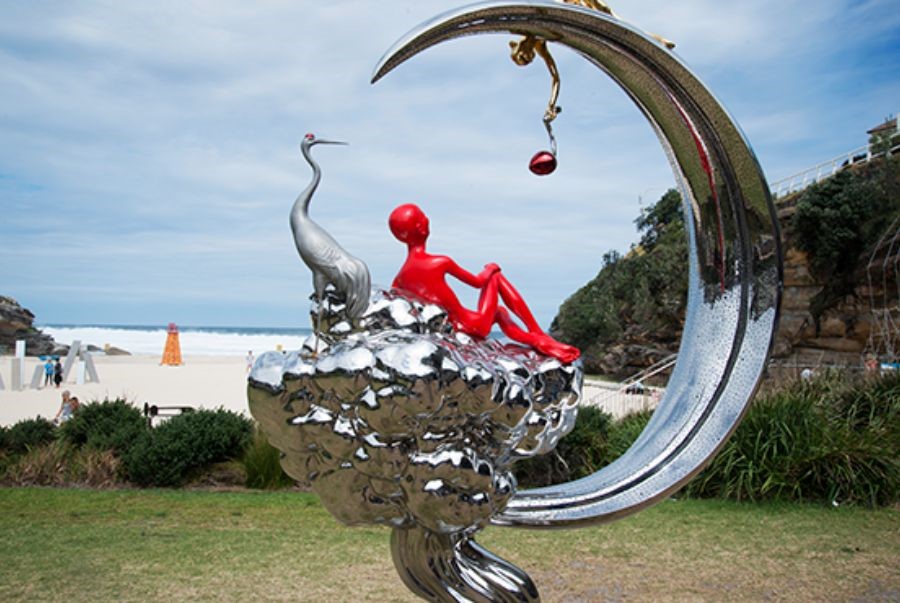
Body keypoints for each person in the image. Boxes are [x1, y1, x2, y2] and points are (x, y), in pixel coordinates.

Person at [388, 203, 579, 363]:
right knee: (495, 278)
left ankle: (535, 339)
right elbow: (478, 282)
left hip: (453, 331)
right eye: (423, 216)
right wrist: (490, 268)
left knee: (500, 313)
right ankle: (537, 332)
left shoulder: (399, 279)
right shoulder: (439, 262)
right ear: (422, 227)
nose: (427, 218)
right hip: (472, 325)